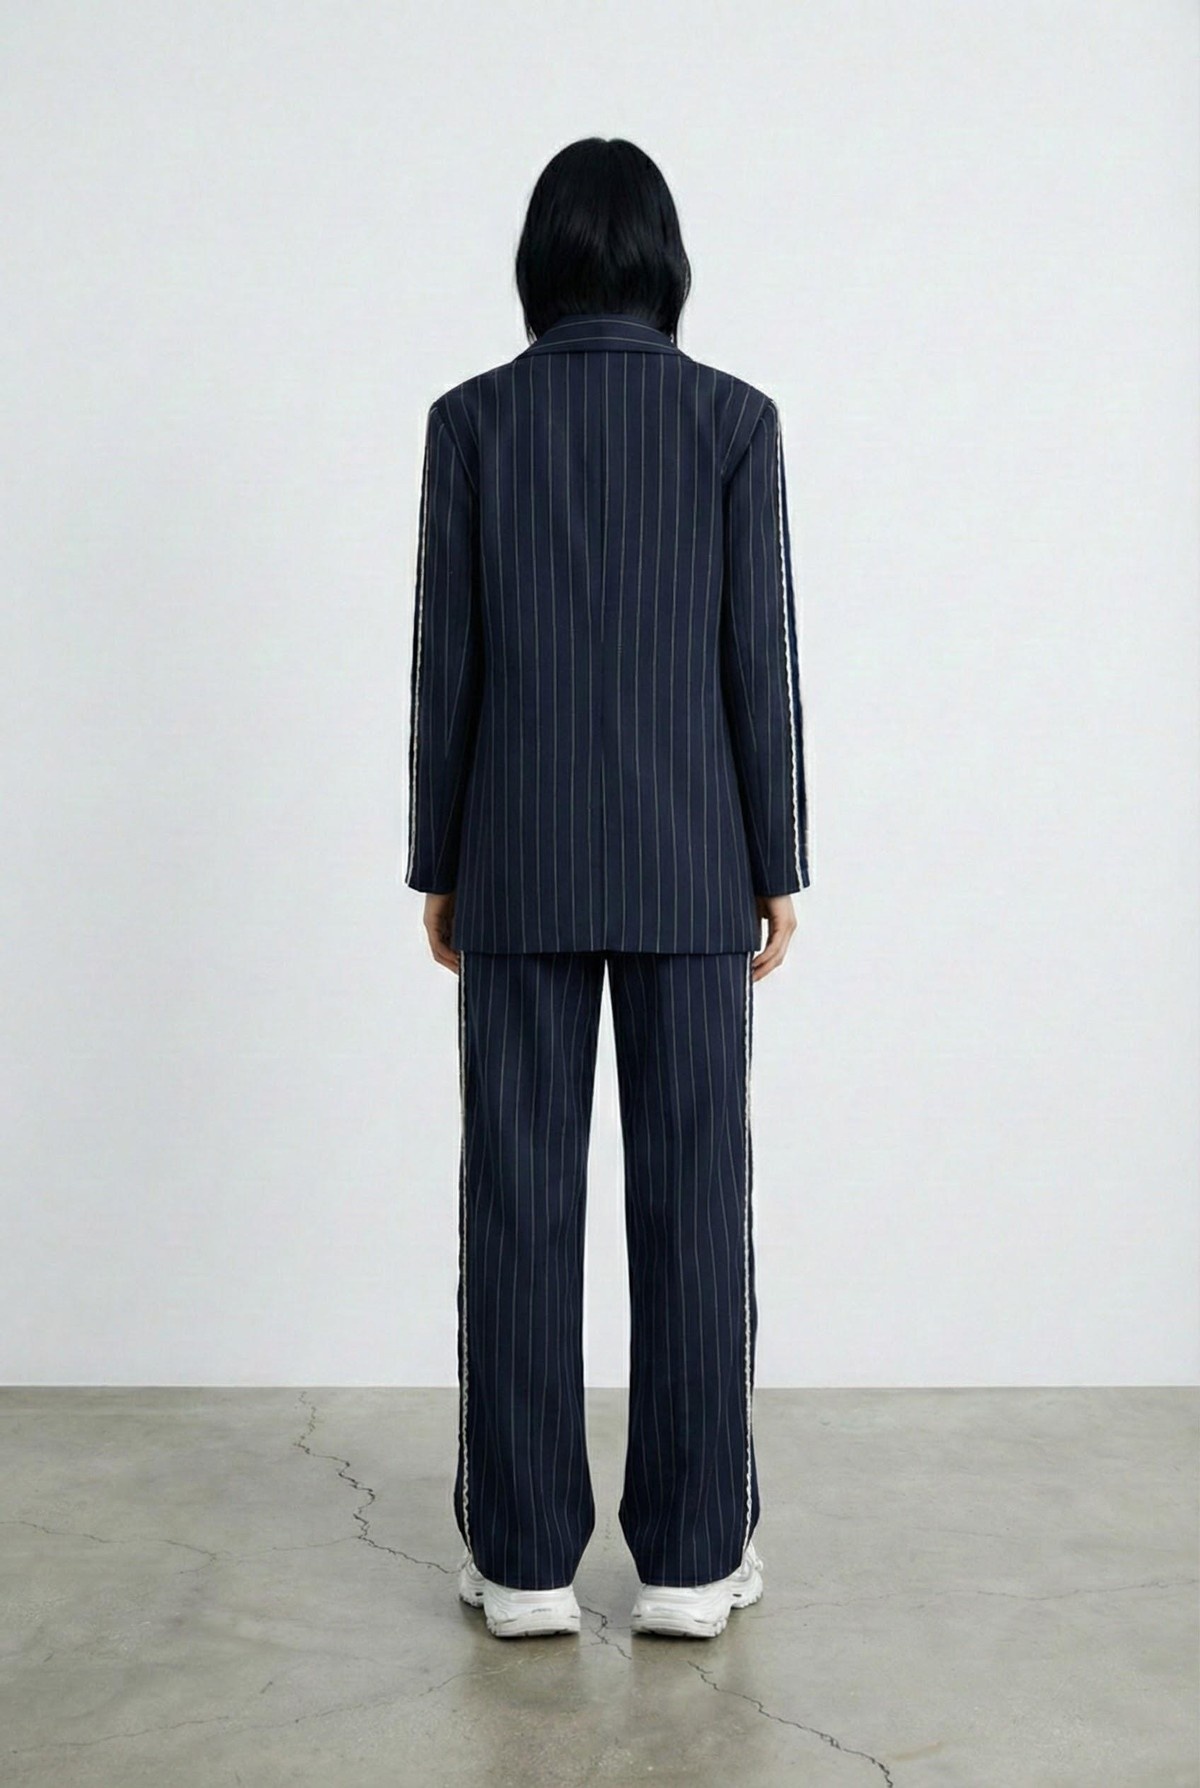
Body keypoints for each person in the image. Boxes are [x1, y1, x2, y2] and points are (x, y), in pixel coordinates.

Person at [404, 136, 809, 1641]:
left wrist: (439, 861)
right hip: (695, 868)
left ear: (541, 263)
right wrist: (778, 863)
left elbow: (449, 661)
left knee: (517, 1201)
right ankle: (694, 1561)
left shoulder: (472, 422)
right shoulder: (733, 421)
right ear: (663, 263)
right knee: (696, 1205)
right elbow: (756, 659)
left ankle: (521, 1563)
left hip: (515, 861)